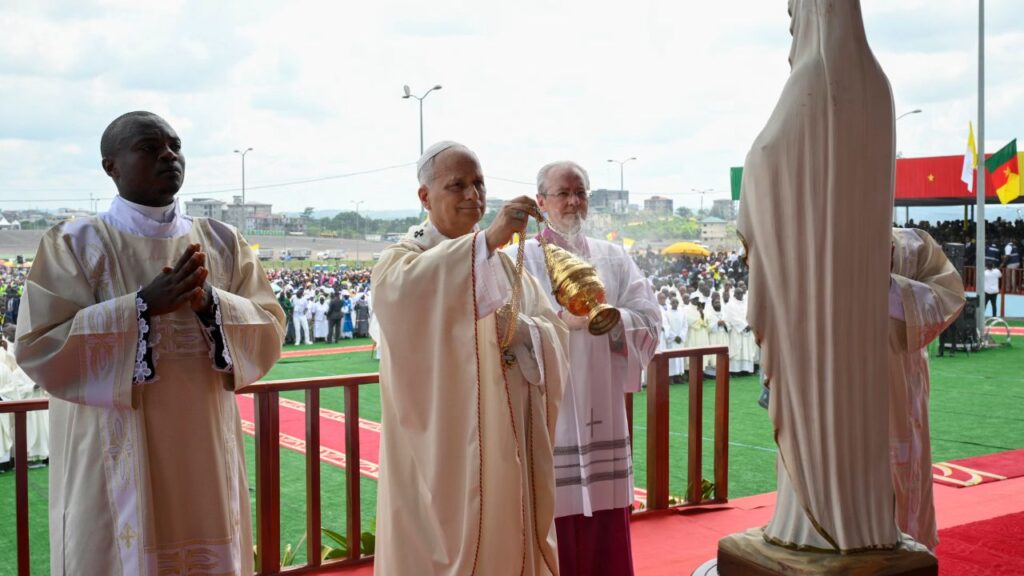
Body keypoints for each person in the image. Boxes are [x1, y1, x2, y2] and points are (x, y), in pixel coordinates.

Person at [13, 111, 285, 575]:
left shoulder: (223, 241)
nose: (168, 155)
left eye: (176, 145)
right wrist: (139, 307)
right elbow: (39, 345)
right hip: (110, 450)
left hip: (203, 439)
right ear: (110, 166)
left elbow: (269, 327)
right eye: (148, 146)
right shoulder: (74, 243)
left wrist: (211, 306)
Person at [735, 0, 904, 555]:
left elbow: (765, 159)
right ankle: (862, 517)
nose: (790, 24)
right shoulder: (878, 88)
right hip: (856, 288)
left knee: (818, 401)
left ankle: (814, 523)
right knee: (856, 397)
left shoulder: (811, 77)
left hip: (815, 292)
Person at [372, 141, 569, 575]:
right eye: (456, 185)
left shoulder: (503, 265)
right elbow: (406, 303)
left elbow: (555, 332)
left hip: (510, 435)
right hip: (442, 453)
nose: (472, 195)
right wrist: (489, 241)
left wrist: (523, 331)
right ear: (425, 197)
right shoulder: (402, 262)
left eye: (478, 183)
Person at [513, 160, 660, 575]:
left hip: (603, 407)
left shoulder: (612, 258)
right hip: (547, 411)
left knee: (606, 527)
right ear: (541, 202)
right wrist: (562, 323)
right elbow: (504, 329)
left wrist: (612, 320)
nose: (574, 202)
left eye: (581, 193)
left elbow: (649, 318)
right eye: (563, 193)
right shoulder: (520, 259)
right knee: (552, 517)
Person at [889, 228, 964, 551]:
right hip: (830, 382)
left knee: (898, 467)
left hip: (895, 373)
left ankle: (905, 551)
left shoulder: (910, 244)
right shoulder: (814, 234)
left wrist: (890, 290)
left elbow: (949, 293)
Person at [723, 287, 756, 374]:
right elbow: (732, 317)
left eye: (741, 293)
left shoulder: (746, 303)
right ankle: (735, 371)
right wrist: (744, 326)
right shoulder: (730, 304)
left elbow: (751, 314)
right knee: (737, 350)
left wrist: (750, 325)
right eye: (738, 293)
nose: (740, 295)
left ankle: (746, 370)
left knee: (746, 350)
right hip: (736, 330)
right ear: (734, 294)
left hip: (747, 330)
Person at [664, 297, 687, 382]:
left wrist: (681, 336)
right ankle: (670, 377)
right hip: (672, 340)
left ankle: (679, 376)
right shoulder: (667, 313)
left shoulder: (682, 313)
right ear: (670, 303)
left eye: (676, 302)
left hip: (680, 340)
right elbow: (667, 326)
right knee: (672, 359)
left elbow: (685, 326)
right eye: (673, 302)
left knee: (680, 357)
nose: (675, 304)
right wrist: (674, 337)